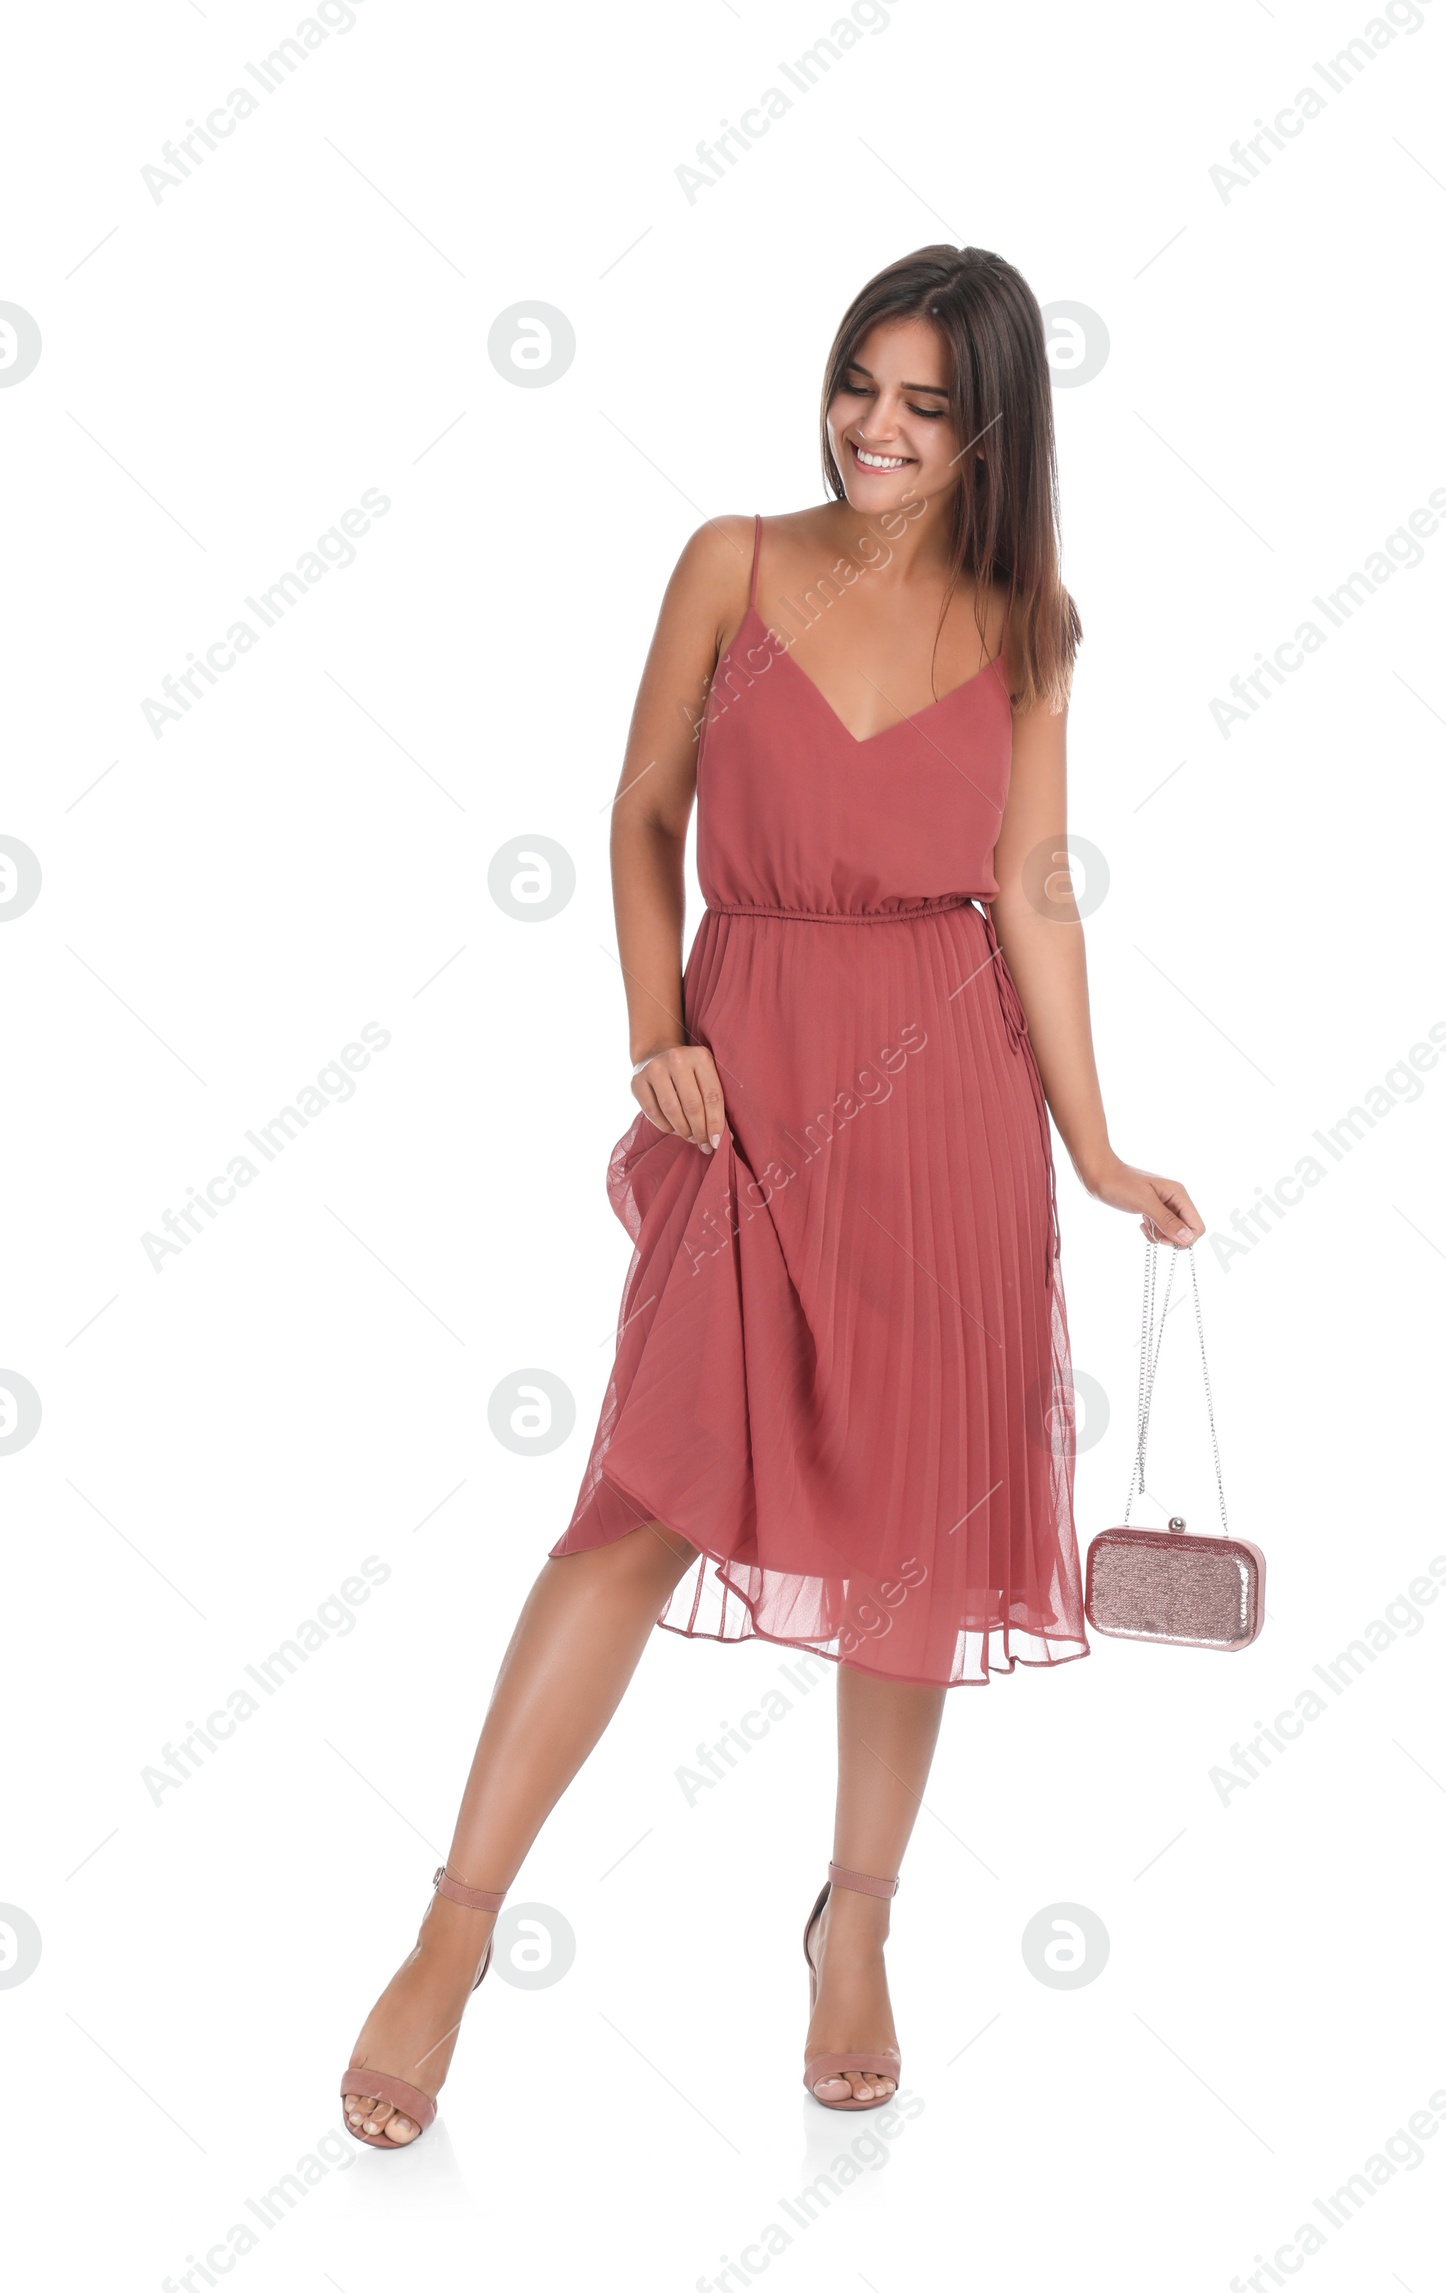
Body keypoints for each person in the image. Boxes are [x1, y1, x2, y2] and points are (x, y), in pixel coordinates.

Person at [340, 242, 1204, 2146]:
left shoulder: (1031, 617)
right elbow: (642, 809)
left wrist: (1094, 1140)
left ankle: (858, 1925)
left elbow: (1036, 887)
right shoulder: (731, 559)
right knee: (638, 1498)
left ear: (991, 430)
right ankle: (453, 1927)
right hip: (752, 1082)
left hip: (951, 1104)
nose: (877, 428)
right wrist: (655, 1022)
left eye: (924, 401)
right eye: (858, 385)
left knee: (913, 1525)